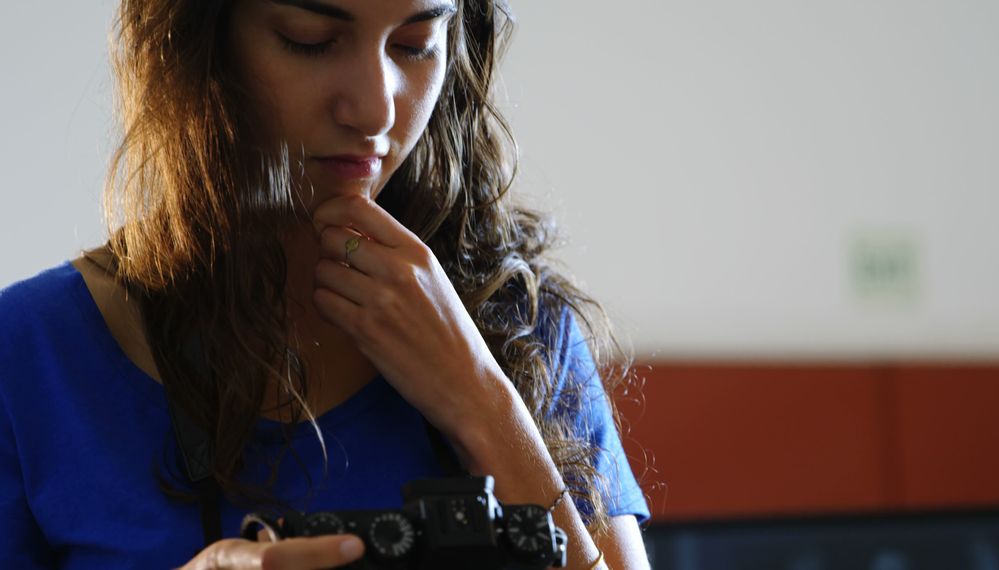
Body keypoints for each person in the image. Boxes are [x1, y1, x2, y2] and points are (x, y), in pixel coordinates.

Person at [0, 0, 651, 568]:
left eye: (415, 45)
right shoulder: (28, 353)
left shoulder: (521, 326)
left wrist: (483, 404)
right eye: (310, 39)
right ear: (199, 45)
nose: (374, 109)